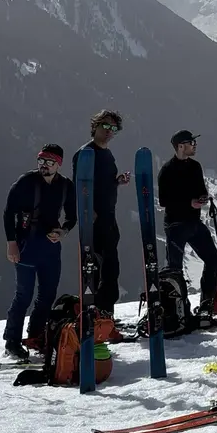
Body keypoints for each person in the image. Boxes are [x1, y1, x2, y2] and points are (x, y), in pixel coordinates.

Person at [0, 144, 76, 360]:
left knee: (48, 294)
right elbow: (8, 213)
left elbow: (72, 216)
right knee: (23, 295)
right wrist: (11, 243)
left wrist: (63, 231)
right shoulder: (26, 182)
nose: (44, 165)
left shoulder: (65, 186)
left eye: (49, 162)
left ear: (58, 164)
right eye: (41, 161)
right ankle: (12, 341)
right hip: (26, 244)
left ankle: (35, 334)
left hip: (51, 247)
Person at [157, 130, 217, 310]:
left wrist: (202, 198)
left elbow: (201, 188)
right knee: (175, 270)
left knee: (213, 259)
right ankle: (179, 309)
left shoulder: (195, 166)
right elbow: (164, 200)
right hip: (176, 225)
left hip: (194, 223)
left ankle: (206, 303)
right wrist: (189, 202)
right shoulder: (167, 170)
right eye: (191, 142)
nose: (195, 145)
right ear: (180, 146)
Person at [79, 110, 133, 316]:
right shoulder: (86, 153)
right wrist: (88, 210)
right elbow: (81, 185)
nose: (109, 131)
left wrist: (117, 181)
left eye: (113, 128)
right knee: (97, 268)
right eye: (106, 126)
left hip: (109, 218)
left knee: (110, 269)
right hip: (94, 221)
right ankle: (96, 313)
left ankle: (105, 313)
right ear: (96, 125)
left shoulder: (107, 154)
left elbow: (103, 184)